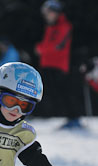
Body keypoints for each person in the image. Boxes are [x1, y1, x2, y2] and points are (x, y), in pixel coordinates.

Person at [35, 0, 82, 128]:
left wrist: (40, 49)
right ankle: (70, 118)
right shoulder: (50, 26)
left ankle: (75, 119)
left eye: (48, 12)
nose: (46, 15)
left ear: (55, 12)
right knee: (58, 95)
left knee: (66, 93)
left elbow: (58, 45)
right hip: (48, 65)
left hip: (59, 66)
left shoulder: (64, 26)